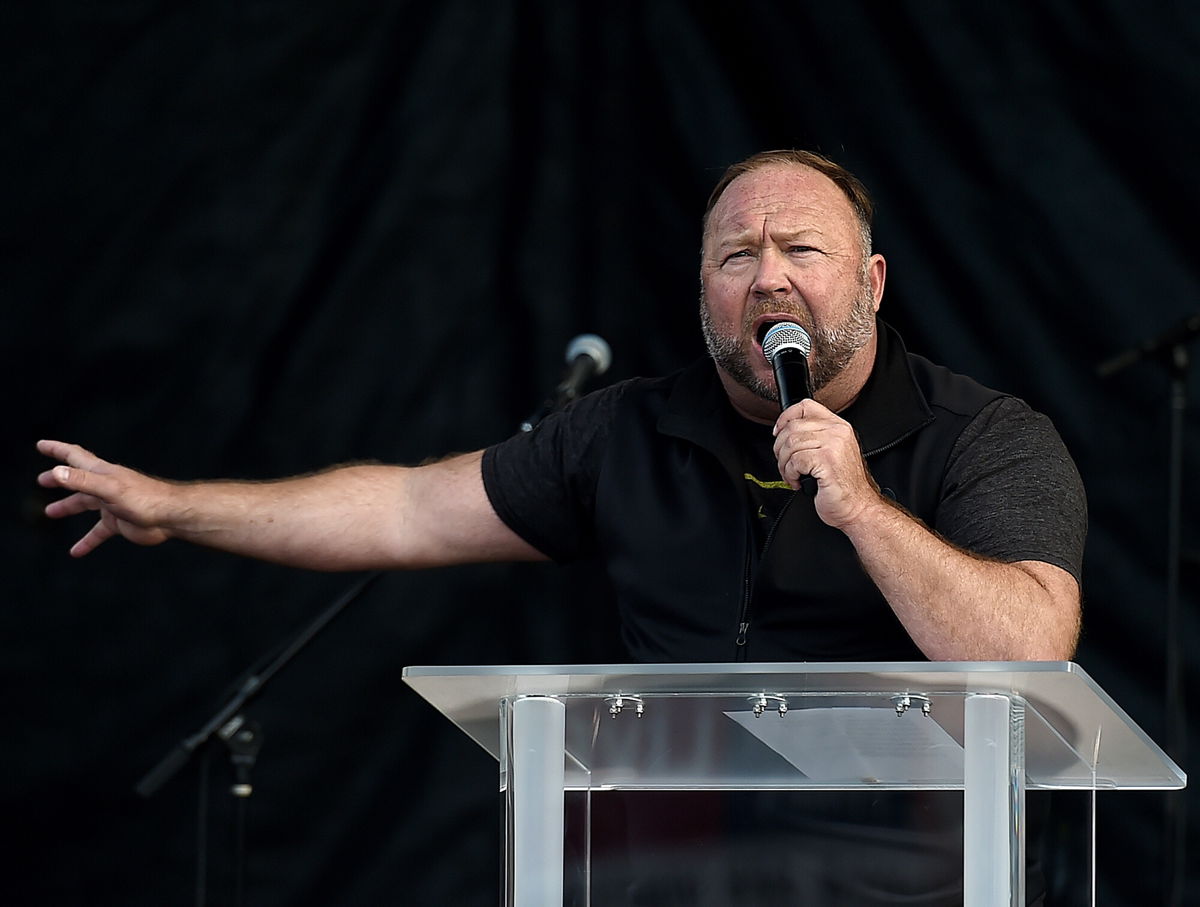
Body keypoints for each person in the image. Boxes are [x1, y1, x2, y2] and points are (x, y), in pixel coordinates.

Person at [38, 149, 1086, 903]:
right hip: (658, 877)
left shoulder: (982, 436)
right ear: (706, 293)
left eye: (801, 248)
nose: (768, 274)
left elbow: (1027, 650)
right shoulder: (624, 430)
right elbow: (406, 508)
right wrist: (175, 506)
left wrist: (859, 505)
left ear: (869, 282)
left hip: (904, 882)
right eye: (737, 254)